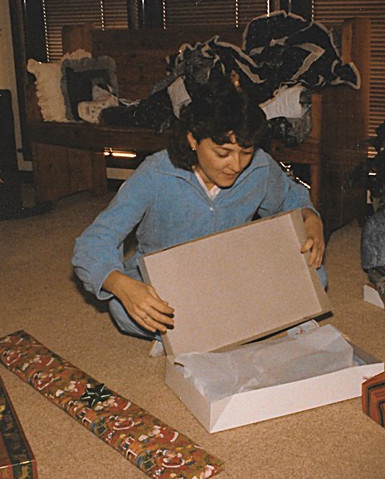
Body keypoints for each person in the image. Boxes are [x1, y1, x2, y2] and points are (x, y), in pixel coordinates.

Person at [71, 75, 326, 341]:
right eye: (222, 153)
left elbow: (290, 199)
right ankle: (245, 326)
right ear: (193, 140)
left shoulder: (259, 166)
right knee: (121, 306)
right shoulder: (155, 173)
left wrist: (311, 219)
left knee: (314, 273)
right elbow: (93, 241)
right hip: (173, 280)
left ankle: (206, 333)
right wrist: (120, 284)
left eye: (246, 152)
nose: (237, 165)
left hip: (232, 271)